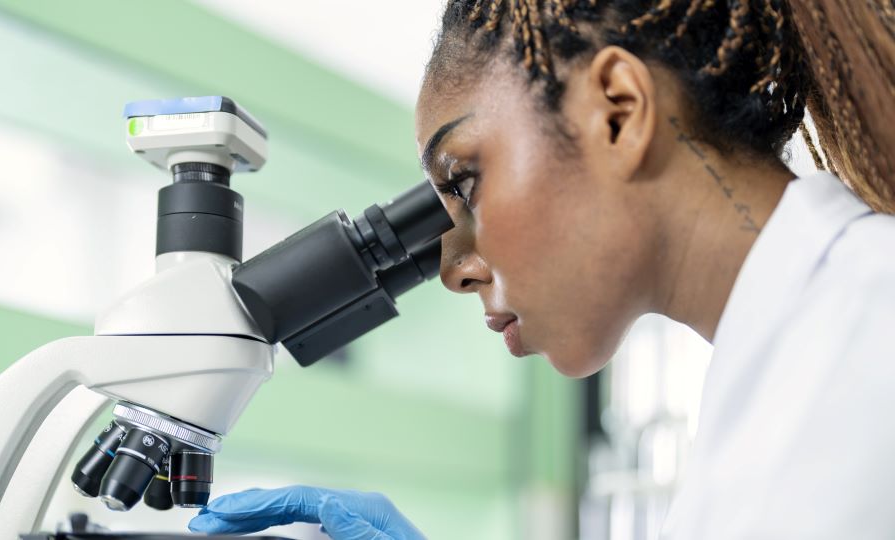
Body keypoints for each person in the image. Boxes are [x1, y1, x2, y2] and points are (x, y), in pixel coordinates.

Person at [189, 1, 895, 538]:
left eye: (464, 181)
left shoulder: (870, 339)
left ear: (618, 112)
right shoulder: (785, 361)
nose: (452, 270)